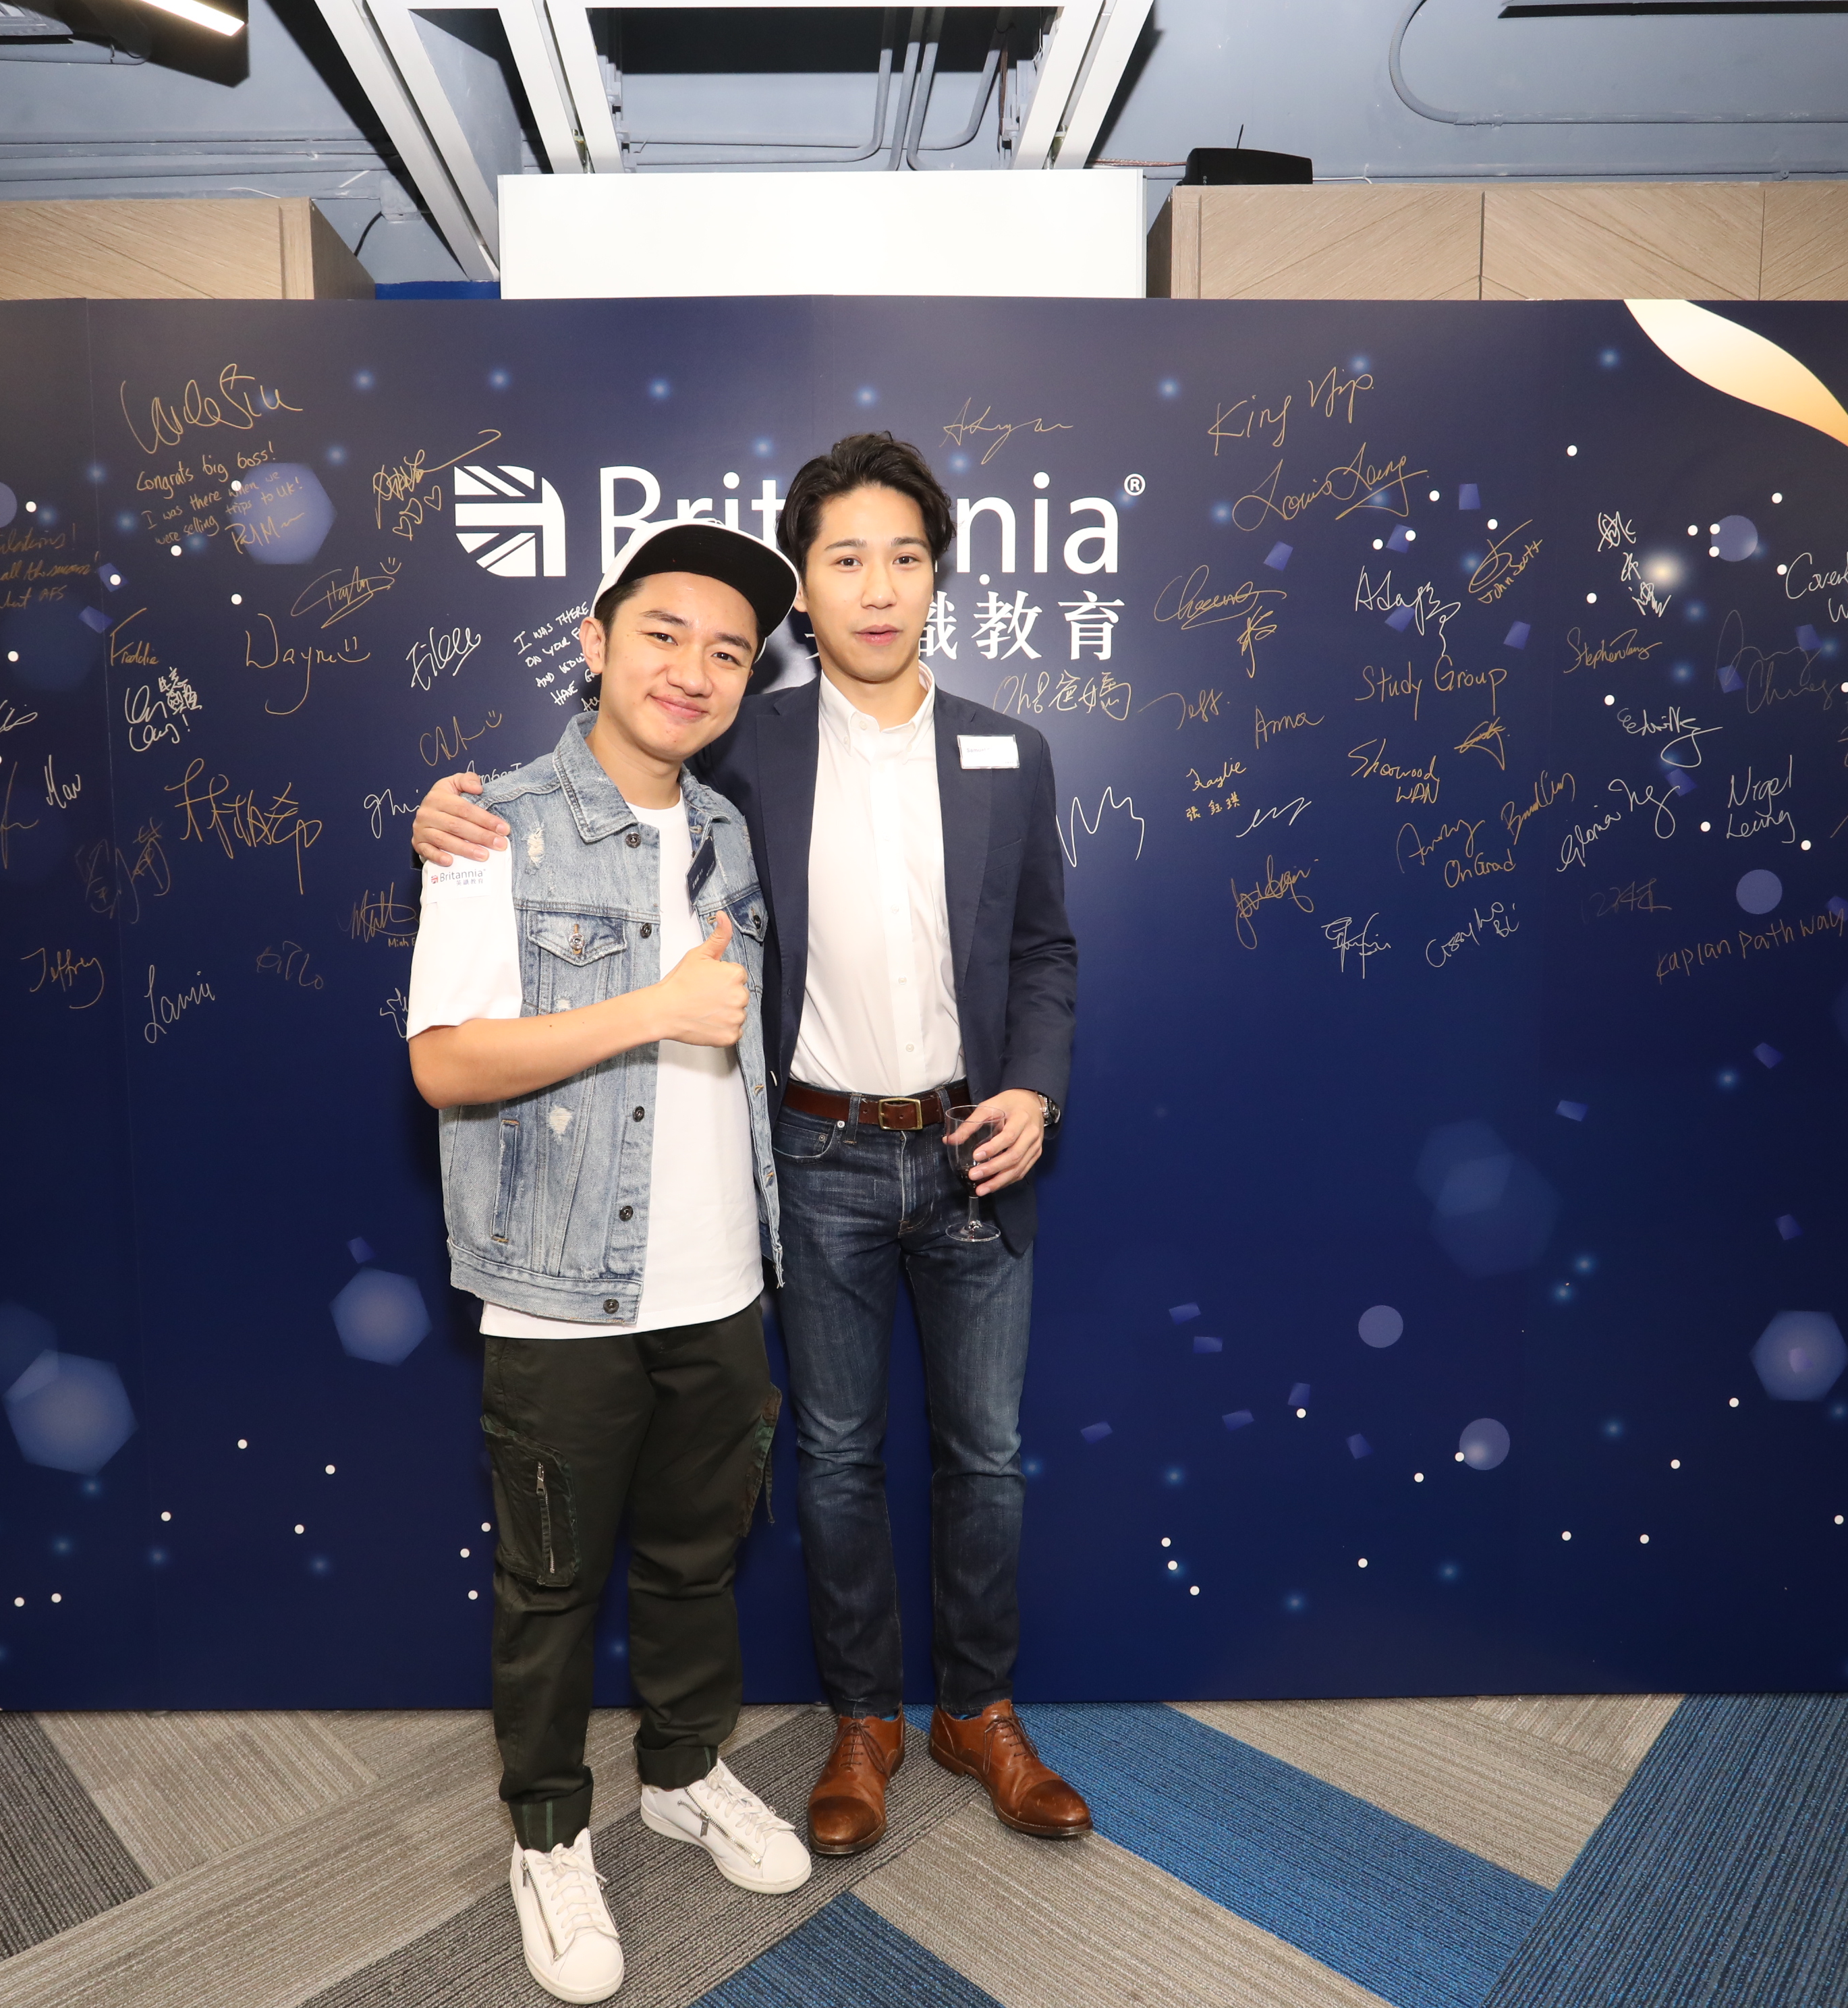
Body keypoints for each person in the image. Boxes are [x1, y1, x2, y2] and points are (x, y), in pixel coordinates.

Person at [416, 433, 1089, 1858]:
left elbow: (1044, 947)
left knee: (986, 1455)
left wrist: (1035, 1089)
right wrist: (448, 820)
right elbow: (601, 807)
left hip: (973, 1156)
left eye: (905, 558)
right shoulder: (741, 749)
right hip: (816, 1158)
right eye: (845, 559)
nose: (878, 587)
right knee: (833, 1457)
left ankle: (980, 1712)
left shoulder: (1010, 751)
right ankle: (865, 1724)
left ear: (938, 578)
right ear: (808, 590)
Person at [405, 520, 816, 2003]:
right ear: (594, 642)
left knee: (699, 1562)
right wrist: (650, 1008)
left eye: (728, 652)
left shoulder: (727, 832)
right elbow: (447, 1063)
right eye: (663, 633)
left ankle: (685, 1773)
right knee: (552, 1584)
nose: (693, 669)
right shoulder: (493, 824)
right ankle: (547, 1834)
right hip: (559, 1287)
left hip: (722, 1281)